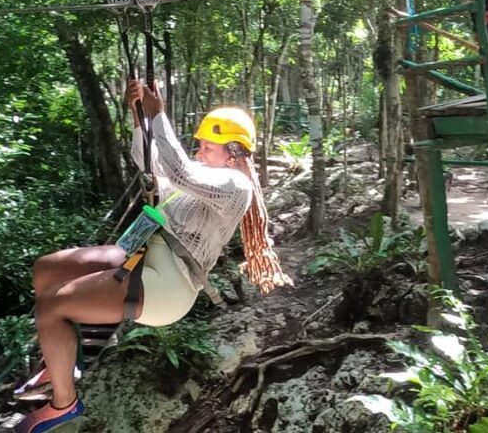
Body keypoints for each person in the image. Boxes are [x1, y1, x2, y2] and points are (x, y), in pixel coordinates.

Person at [14, 80, 292, 433]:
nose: (201, 151)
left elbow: (178, 171)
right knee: (46, 271)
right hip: (142, 255)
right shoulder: (202, 175)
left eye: (209, 146)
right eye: (201, 145)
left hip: (169, 283)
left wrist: (158, 115)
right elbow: (152, 165)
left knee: (50, 306)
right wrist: (138, 118)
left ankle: (64, 404)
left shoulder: (236, 188)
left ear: (234, 153)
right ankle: (60, 358)